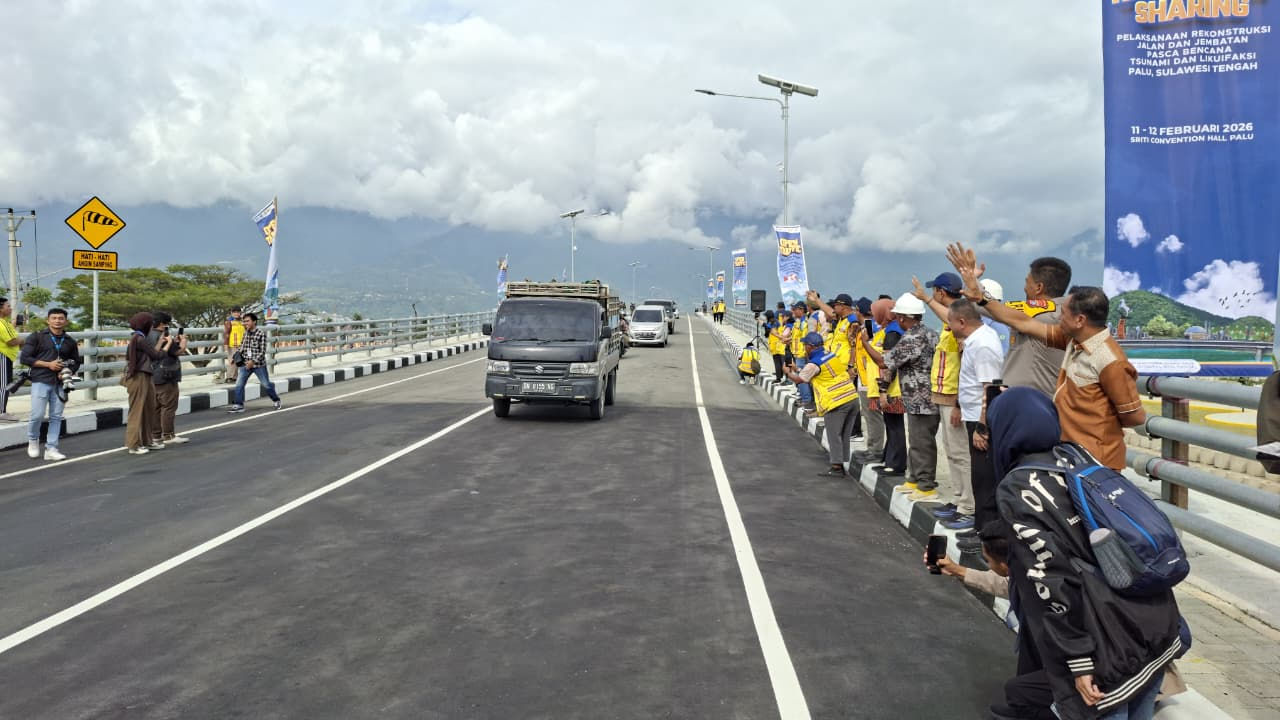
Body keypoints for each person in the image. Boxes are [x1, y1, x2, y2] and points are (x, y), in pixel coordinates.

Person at [989, 388, 1182, 720]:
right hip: (1154, 619)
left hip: (1107, 639)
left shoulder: (1018, 488)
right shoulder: (1077, 455)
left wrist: (1078, 661)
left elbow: (1050, 581)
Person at [963, 275, 1146, 471]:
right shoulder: (1072, 340)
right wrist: (982, 298)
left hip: (1096, 462)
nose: (1059, 318)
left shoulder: (1110, 361)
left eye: (1063, 313)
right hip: (1070, 453)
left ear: (1080, 320)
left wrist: (1094, 420)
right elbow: (1023, 323)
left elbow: (1134, 416)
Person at [947, 244, 1072, 397]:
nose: (1024, 288)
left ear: (1039, 287)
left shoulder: (1038, 312)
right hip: (1042, 399)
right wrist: (973, 282)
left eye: (1027, 282)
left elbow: (985, 307)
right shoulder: (1067, 314)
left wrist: (972, 281)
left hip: (1029, 402)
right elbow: (985, 305)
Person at [862, 293, 939, 495]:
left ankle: (925, 485)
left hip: (920, 397)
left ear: (903, 318)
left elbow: (884, 362)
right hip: (925, 395)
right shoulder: (931, 333)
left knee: (921, 443)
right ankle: (914, 479)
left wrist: (865, 343)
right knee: (917, 441)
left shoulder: (911, 338)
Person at [912, 273, 971, 526]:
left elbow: (966, 365)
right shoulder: (950, 323)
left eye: (934, 292)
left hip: (953, 396)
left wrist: (959, 402)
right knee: (952, 451)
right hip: (944, 396)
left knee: (960, 453)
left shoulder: (960, 325)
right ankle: (958, 500)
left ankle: (968, 505)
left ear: (940, 292)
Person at [948, 299, 1005, 548]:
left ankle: (986, 533)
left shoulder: (982, 344)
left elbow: (990, 388)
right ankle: (981, 527)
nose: (948, 327)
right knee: (979, 477)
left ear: (962, 321)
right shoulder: (976, 340)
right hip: (973, 415)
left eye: (950, 322)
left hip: (981, 420)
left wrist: (983, 428)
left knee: (984, 479)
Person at [783, 332, 859, 477]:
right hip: (851, 397)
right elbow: (815, 373)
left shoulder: (813, 363)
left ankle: (837, 467)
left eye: (805, 345)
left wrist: (787, 373)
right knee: (844, 435)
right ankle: (841, 462)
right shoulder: (830, 355)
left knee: (834, 435)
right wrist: (797, 369)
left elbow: (799, 380)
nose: (804, 347)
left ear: (810, 347)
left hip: (836, 402)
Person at [20, 308, 83, 461]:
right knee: (37, 415)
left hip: (60, 383)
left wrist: (68, 371)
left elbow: (76, 361)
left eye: (61, 318)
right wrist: (48, 364)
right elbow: (25, 358)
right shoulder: (37, 337)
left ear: (66, 321)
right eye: (54, 318)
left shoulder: (70, 341)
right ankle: (33, 439)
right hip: (40, 380)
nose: (57, 321)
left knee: (56, 416)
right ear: (48, 320)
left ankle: (51, 448)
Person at [858, 298, 903, 472]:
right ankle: (888, 459)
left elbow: (888, 363)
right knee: (890, 425)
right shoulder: (885, 330)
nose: (873, 315)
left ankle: (895, 464)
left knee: (895, 427)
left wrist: (865, 343)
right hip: (882, 385)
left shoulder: (893, 333)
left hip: (891, 387)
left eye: (876, 311)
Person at [122, 312, 175, 454]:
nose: (151, 326)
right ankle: (133, 445)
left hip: (145, 375)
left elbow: (150, 355)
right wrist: (168, 344)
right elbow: (157, 355)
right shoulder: (139, 339)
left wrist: (160, 342)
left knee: (148, 409)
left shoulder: (140, 338)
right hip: (138, 376)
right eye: (150, 323)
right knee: (137, 411)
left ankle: (147, 441)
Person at [148, 311, 190, 446]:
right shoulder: (163, 336)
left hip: (151, 375)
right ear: (162, 323)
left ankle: (155, 435)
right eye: (167, 323)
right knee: (169, 406)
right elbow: (177, 351)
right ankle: (168, 435)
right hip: (166, 375)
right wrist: (183, 342)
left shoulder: (147, 334)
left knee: (155, 407)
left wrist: (174, 343)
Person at [227, 312, 282, 413]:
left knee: (266, 384)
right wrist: (235, 357)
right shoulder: (245, 333)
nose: (245, 323)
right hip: (245, 364)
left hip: (258, 365)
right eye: (244, 321)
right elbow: (241, 347)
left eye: (247, 321)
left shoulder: (261, 334)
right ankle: (238, 405)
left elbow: (262, 352)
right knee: (239, 384)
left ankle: (276, 400)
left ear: (254, 322)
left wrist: (253, 362)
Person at [851, 297, 882, 461]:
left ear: (859, 311)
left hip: (870, 378)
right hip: (864, 377)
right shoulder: (865, 327)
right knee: (869, 416)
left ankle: (875, 450)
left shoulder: (870, 328)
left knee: (873, 416)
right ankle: (872, 447)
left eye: (855, 310)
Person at [787, 302, 816, 412]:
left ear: (801, 310)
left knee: (802, 376)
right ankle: (804, 396)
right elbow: (795, 337)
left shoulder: (804, 323)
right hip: (796, 352)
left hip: (802, 354)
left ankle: (806, 399)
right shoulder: (798, 322)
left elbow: (805, 339)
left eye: (795, 309)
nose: (793, 312)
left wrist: (805, 353)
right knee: (800, 375)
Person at [0, 297, 22, 422]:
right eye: (8, 306)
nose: (10, 308)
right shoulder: (1, 324)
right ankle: (1, 412)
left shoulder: (5, 323)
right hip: (3, 355)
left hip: (5, 356)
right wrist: (24, 341)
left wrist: (14, 325)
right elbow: (11, 341)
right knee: (4, 385)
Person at [763, 310, 788, 382]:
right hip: (775, 346)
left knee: (782, 363)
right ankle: (778, 377)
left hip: (779, 346)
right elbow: (767, 334)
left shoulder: (775, 323)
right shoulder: (773, 322)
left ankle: (786, 378)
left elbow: (772, 330)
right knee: (777, 363)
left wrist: (764, 325)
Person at [223, 307, 245, 383]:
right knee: (232, 361)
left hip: (242, 345)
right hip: (232, 345)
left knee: (240, 361)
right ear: (231, 313)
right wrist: (226, 346)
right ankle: (230, 377)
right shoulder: (229, 322)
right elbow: (226, 334)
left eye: (238, 312)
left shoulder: (242, 322)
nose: (236, 313)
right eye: (234, 312)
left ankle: (235, 377)